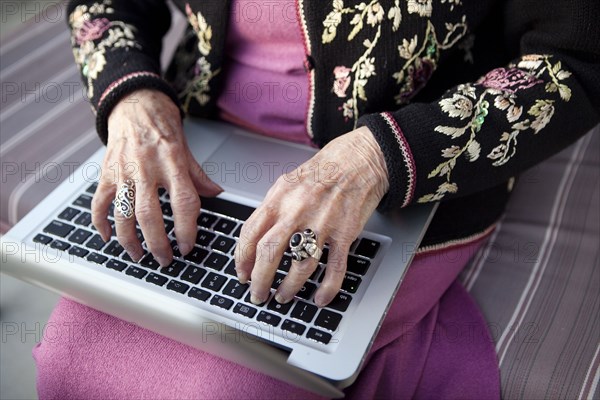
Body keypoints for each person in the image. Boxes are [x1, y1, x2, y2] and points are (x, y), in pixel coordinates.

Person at [33, 0, 599, 398]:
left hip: (402, 166)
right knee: (67, 362)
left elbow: (574, 61)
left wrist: (377, 159)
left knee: (236, 387)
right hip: (197, 148)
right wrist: (134, 100)